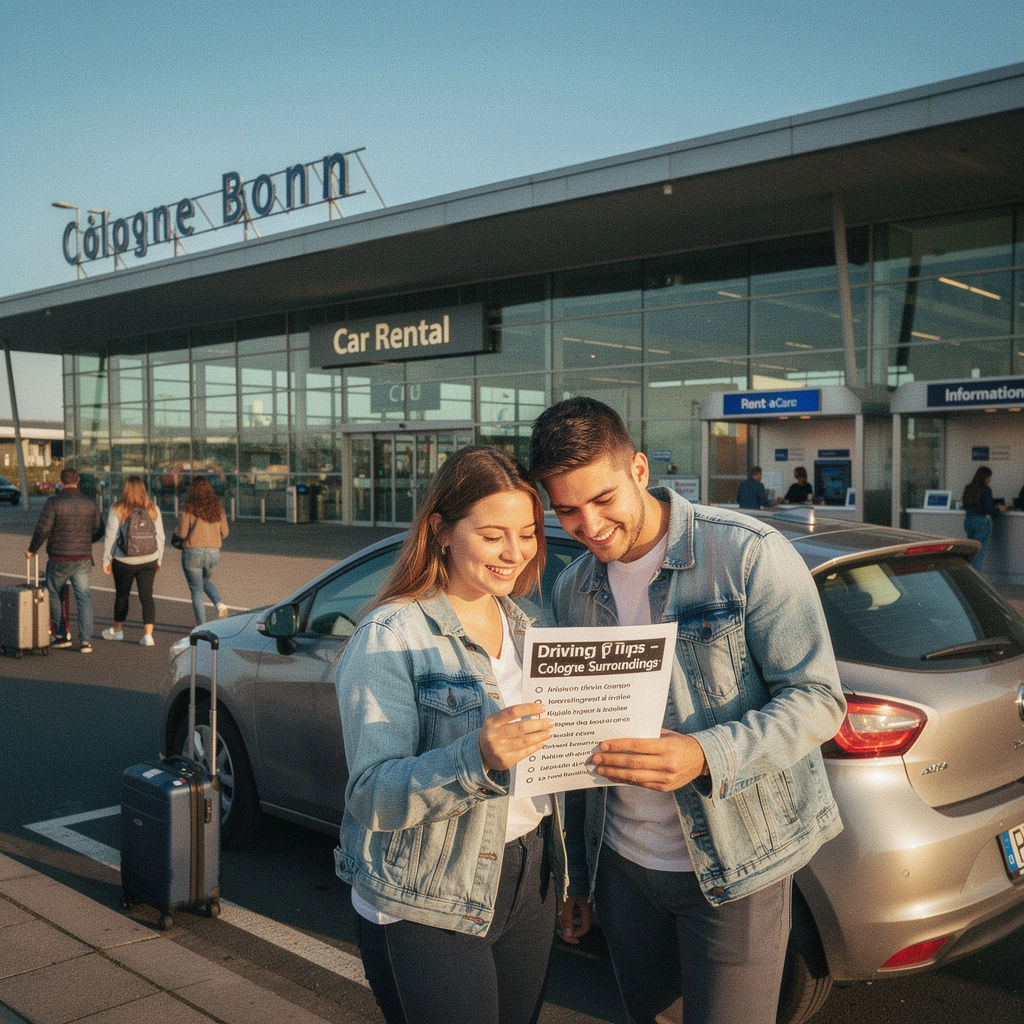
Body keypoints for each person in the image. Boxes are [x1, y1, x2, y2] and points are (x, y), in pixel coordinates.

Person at [528, 397, 846, 1024]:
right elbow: (576, 746)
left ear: (639, 470)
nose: (589, 525)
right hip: (623, 870)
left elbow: (818, 700)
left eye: (603, 499)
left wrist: (704, 753)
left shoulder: (747, 554)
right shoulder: (572, 589)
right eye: (566, 510)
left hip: (736, 865)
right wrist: (577, 879)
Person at [334, 445, 569, 1024]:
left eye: (528, 534)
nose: (515, 553)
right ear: (439, 529)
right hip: (428, 890)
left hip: (532, 872)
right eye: (492, 536)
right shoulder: (391, 635)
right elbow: (371, 794)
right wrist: (476, 756)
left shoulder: (529, 627)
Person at [25, 466, 103, 653]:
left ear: (61, 482)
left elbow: (43, 529)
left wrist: (32, 549)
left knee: (53, 592)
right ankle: (85, 641)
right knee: (83, 598)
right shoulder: (90, 502)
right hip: (83, 558)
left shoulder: (53, 502)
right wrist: (86, 541)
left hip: (59, 557)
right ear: (78, 481)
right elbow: (99, 529)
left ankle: (61, 634)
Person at [100, 476, 165, 646]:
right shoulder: (153, 509)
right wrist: (159, 559)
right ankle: (148, 636)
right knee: (147, 596)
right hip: (149, 559)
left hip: (124, 560)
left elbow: (110, 536)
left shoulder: (118, 508)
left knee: (122, 596)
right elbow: (160, 536)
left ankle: (118, 630)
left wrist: (106, 560)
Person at [173, 476, 230, 624]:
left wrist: (175, 530)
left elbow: (182, 533)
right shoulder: (218, 507)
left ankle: (202, 625)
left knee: (196, 589)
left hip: (193, 552)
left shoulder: (188, 507)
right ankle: (219, 603)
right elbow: (225, 532)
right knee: (204, 581)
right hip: (213, 553)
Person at [961, 466, 1010, 571]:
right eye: (989, 477)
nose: (990, 480)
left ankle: (969, 574)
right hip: (981, 522)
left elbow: (965, 505)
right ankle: (975, 577)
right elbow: (988, 509)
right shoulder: (986, 489)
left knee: (972, 552)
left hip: (968, 521)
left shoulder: (968, 488)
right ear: (985, 477)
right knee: (978, 554)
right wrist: (999, 509)